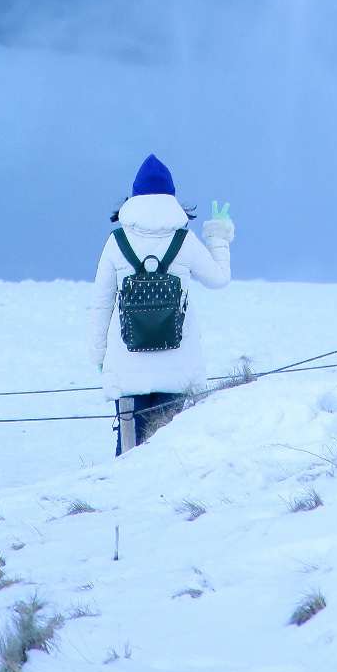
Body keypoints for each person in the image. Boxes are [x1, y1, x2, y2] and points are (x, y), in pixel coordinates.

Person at [90, 152, 234, 453]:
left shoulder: (117, 242)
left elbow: (101, 304)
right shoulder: (185, 240)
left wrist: (99, 356)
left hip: (127, 367)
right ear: (172, 196)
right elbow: (219, 279)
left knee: (128, 453)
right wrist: (218, 234)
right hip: (177, 369)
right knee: (170, 456)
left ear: (134, 197)